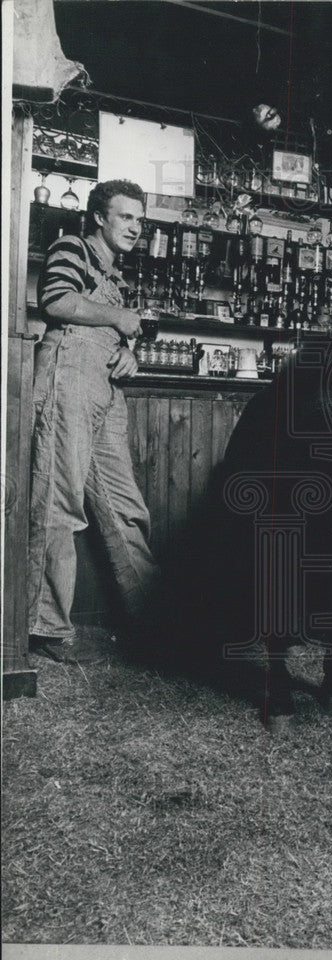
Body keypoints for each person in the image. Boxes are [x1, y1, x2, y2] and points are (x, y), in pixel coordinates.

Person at [28, 179, 158, 662]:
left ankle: (154, 623)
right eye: (126, 217)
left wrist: (128, 353)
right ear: (100, 217)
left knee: (126, 508)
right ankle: (46, 627)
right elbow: (56, 300)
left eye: (140, 219)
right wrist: (119, 320)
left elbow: (113, 328)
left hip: (103, 385)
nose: (136, 227)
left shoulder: (117, 278)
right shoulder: (72, 248)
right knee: (58, 502)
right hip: (69, 375)